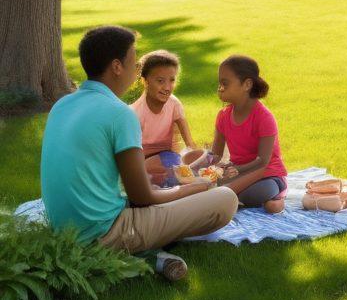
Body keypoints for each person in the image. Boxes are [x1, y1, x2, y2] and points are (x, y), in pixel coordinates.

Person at [40, 25, 238, 281]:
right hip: (102, 233)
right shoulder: (121, 114)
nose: (137, 68)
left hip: (62, 228)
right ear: (116, 66)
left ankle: (148, 256)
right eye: (133, 60)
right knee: (225, 199)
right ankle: (136, 252)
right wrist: (197, 186)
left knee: (172, 191)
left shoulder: (62, 104)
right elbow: (142, 196)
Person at [191, 55, 289, 213]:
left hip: (267, 174)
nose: (220, 88)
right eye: (219, 83)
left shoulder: (264, 117)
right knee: (211, 184)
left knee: (257, 193)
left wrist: (237, 172)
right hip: (237, 172)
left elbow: (263, 161)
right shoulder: (223, 116)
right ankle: (236, 197)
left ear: (247, 84)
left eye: (225, 83)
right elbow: (215, 154)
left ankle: (279, 193)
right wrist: (194, 167)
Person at [131, 49, 201, 179]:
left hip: (168, 157)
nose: (167, 87)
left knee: (186, 171)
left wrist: (200, 162)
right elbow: (133, 157)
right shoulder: (135, 113)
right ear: (145, 81)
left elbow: (190, 143)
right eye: (160, 81)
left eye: (172, 80)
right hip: (143, 163)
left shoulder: (174, 104)